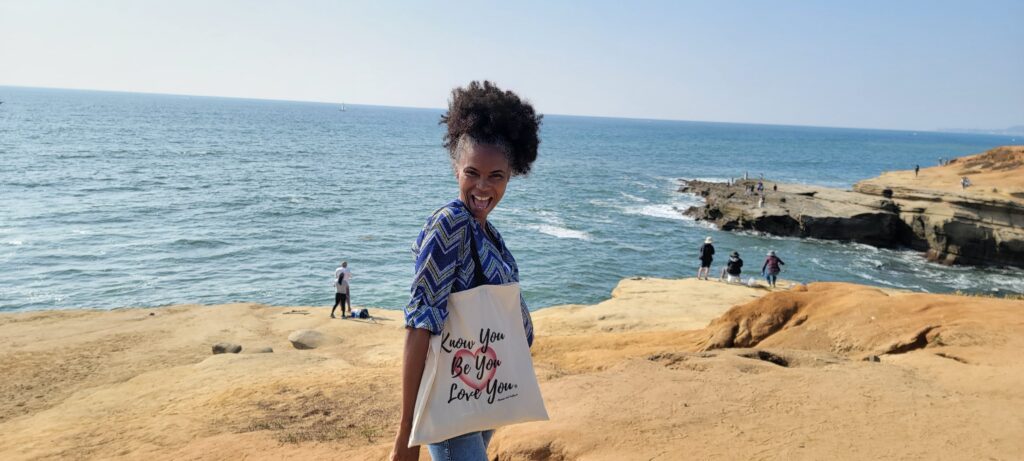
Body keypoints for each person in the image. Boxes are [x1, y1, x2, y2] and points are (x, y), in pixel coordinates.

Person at [390, 81, 541, 461]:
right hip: (452, 399)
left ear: (512, 174)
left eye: (497, 176)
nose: (483, 187)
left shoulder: (486, 230)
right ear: (456, 167)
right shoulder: (450, 225)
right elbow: (420, 323)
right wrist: (407, 435)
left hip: (482, 392)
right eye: (472, 172)